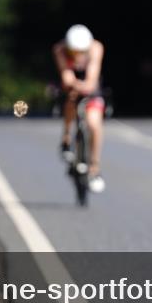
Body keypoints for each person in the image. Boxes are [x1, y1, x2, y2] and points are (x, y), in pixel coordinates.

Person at [53, 24, 106, 193]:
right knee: (70, 99)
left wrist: (82, 85)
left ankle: (94, 168)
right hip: (71, 89)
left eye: (81, 52)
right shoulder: (60, 50)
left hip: (91, 88)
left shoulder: (96, 48)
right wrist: (74, 85)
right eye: (73, 52)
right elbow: (66, 77)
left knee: (94, 124)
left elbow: (91, 79)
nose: (77, 56)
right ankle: (66, 138)